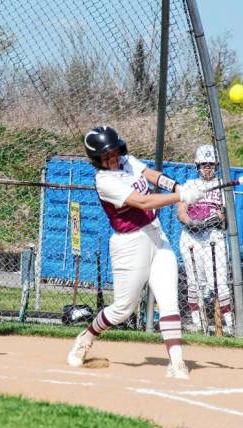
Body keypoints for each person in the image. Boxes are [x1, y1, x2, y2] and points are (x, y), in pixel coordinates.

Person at [66, 126, 204, 379]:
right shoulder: (104, 181)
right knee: (122, 309)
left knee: (169, 301)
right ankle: (87, 336)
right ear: (97, 160)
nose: (113, 158)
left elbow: (151, 175)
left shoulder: (127, 161)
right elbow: (143, 202)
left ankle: (176, 363)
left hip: (156, 235)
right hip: (130, 244)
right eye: (106, 156)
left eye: (115, 152)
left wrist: (177, 186)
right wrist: (180, 196)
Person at [177, 144, 233, 335]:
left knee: (219, 284)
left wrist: (218, 217)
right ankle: (200, 326)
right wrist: (193, 222)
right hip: (191, 237)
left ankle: (230, 327)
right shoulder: (189, 185)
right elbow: (181, 212)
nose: (207, 168)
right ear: (197, 166)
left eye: (210, 164)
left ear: (216, 165)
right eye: (203, 164)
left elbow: (226, 218)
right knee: (196, 284)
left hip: (214, 237)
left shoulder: (223, 187)